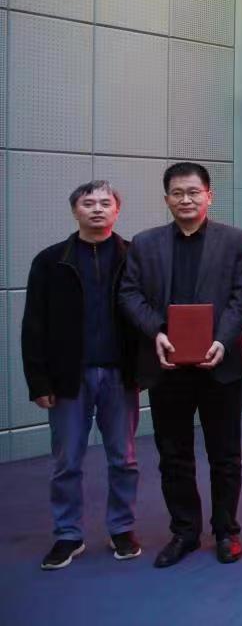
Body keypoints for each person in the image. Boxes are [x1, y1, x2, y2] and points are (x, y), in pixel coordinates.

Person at [119, 162, 242, 567]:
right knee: (173, 454)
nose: (186, 200)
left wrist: (221, 340)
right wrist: (157, 331)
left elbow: (241, 297)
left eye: (194, 192)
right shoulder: (145, 243)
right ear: (166, 199)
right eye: (177, 193)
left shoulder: (234, 240)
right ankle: (185, 532)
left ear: (209, 196)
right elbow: (129, 294)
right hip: (167, 364)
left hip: (220, 364)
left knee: (225, 455)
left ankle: (226, 530)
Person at [23, 181, 140, 570]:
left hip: (120, 374)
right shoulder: (50, 261)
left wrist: (145, 370)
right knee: (67, 462)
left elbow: (146, 314)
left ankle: (121, 528)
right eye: (88, 203)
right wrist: (39, 381)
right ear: (75, 210)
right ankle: (68, 535)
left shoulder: (133, 257)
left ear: (117, 211)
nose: (97, 209)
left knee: (124, 459)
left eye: (105, 203)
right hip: (67, 378)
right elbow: (33, 325)